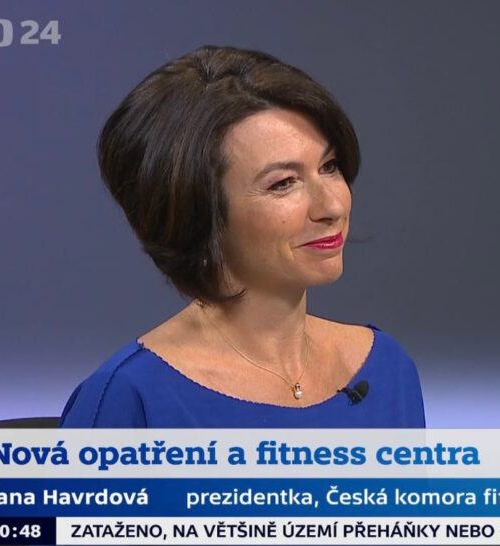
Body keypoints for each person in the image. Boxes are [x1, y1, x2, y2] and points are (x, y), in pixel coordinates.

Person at [60, 46, 425, 427]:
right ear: (197, 214)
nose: (332, 206)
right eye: (283, 183)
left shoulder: (387, 369)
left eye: (329, 166)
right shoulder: (128, 398)